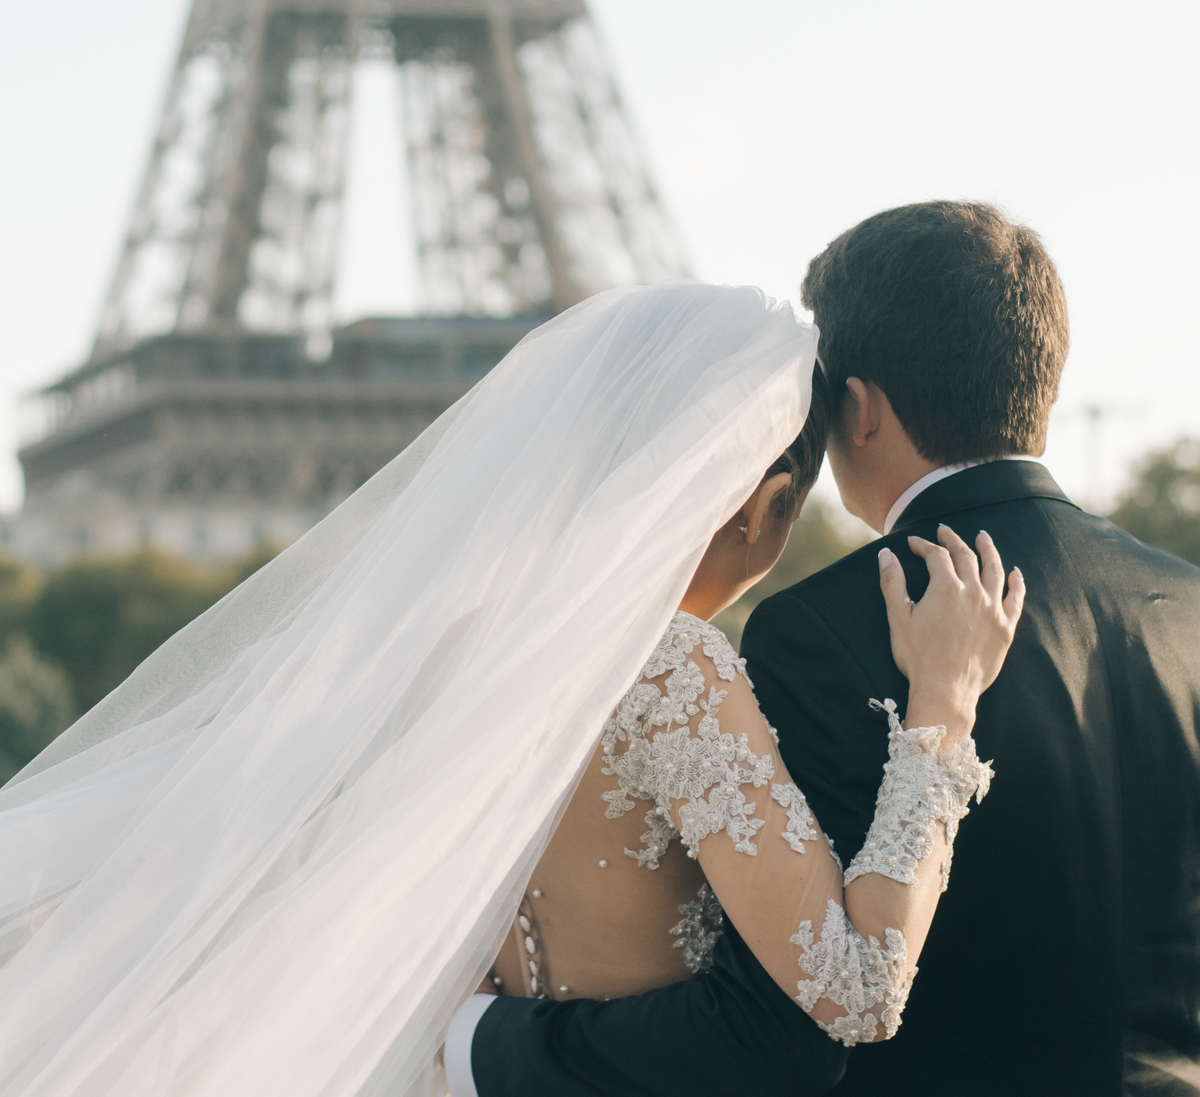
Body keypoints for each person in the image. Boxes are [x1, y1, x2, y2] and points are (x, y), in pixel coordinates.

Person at [0, 279, 1015, 1097]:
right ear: (762, 503)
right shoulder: (674, 669)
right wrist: (944, 708)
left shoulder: (456, 657)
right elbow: (856, 989)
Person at [465, 203, 1200, 1097]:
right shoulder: (1187, 608)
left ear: (858, 407)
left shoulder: (823, 628)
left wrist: (471, 1041)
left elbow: (774, 1032)